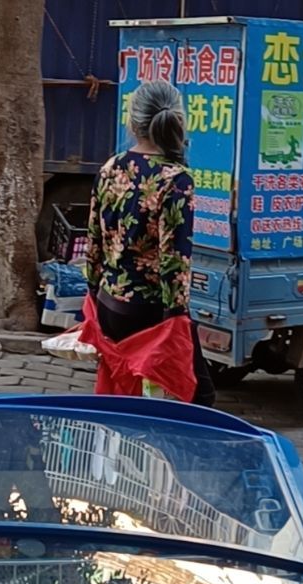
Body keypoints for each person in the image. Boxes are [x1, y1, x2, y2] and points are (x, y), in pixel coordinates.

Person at [83, 80, 215, 405]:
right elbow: (175, 261)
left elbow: (94, 242)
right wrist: (177, 319)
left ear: (132, 122)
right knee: (199, 397)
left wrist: (93, 292)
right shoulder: (175, 179)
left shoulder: (111, 167)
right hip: (150, 313)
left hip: (109, 304)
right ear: (177, 120)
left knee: (126, 391)